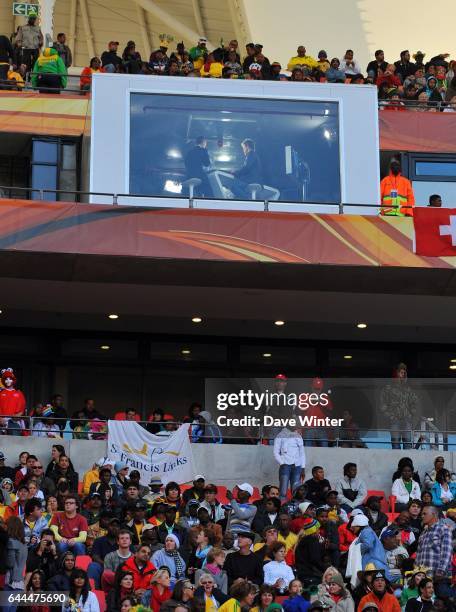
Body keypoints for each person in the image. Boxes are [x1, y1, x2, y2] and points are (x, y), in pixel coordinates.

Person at [416, 505, 452, 586]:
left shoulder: (444, 529)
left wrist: (440, 571)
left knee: (441, 597)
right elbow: (418, 555)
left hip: (439, 577)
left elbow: (446, 553)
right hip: (424, 578)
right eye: (422, 514)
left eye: (424, 514)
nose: (422, 516)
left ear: (434, 514)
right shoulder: (423, 533)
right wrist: (416, 572)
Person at [350, 514, 391, 580]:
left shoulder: (366, 531)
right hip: (373, 563)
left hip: (374, 564)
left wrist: (356, 549)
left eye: (353, 526)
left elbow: (368, 545)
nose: (351, 528)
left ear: (359, 525)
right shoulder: (367, 531)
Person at [273, 425, 306, 501]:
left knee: (296, 491)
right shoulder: (280, 435)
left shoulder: (298, 436)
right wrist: (282, 463)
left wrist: (303, 467)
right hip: (285, 466)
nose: (295, 425)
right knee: (283, 491)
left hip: (297, 466)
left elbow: (302, 453)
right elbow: (275, 452)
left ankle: (294, 510)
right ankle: (281, 509)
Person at [294, 518, 325, 587]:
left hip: (302, 575)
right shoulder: (313, 540)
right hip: (312, 576)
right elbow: (315, 559)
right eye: (317, 529)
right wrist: (325, 569)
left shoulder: (300, 542)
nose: (319, 531)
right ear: (313, 530)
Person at [5, 515, 28, 597]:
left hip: (10, 582)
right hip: (20, 582)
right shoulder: (24, 544)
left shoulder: (11, 542)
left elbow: (10, 563)